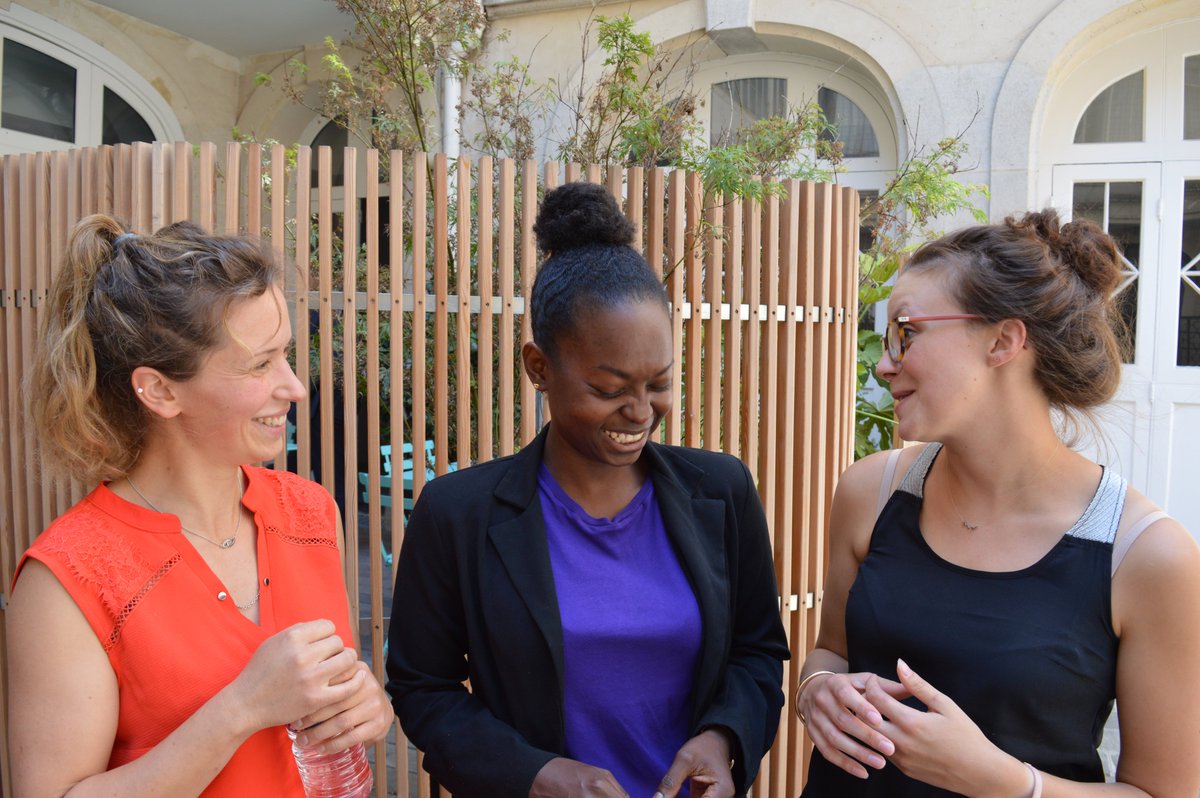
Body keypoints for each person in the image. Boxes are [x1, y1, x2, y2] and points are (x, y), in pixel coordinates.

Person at [386, 181, 790, 798]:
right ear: (539, 368)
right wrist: (535, 774)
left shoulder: (721, 490)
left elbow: (757, 653)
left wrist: (724, 739)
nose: (640, 411)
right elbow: (423, 689)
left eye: (658, 383)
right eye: (608, 388)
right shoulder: (458, 514)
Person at [796, 210, 1200, 797]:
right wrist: (816, 691)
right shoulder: (870, 493)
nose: (884, 364)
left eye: (905, 332)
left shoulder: (1146, 556)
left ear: (1003, 341)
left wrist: (1006, 782)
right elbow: (831, 650)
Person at [6, 215, 394, 796]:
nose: (294, 387)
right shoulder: (68, 579)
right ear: (160, 390)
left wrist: (368, 706)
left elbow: (328, 703)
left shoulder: (313, 514)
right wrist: (239, 709)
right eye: (260, 364)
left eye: (285, 355)